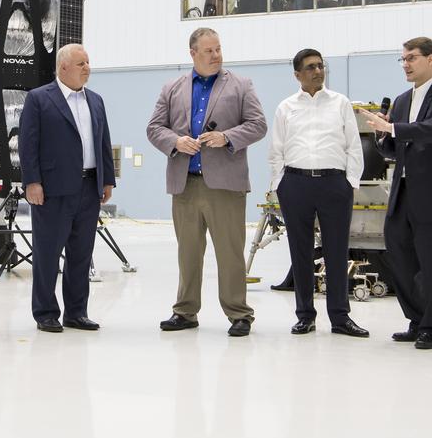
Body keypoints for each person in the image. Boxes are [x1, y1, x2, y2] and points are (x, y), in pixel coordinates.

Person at [146, 27, 266, 336]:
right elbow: (154, 128)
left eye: (219, 49)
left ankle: (239, 313)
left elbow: (258, 125)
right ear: (193, 54)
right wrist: (176, 142)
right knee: (187, 253)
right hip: (185, 184)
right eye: (209, 51)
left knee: (230, 253)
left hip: (225, 186)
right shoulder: (172, 87)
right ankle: (185, 311)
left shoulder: (241, 85)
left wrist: (226, 137)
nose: (216, 56)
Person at [358, 37, 432, 350]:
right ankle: (416, 319)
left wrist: (393, 129)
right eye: (402, 59)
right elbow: (395, 149)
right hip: (403, 193)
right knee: (397, 254)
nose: (405, 64)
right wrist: (382, 137)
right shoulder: (403, 101)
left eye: (412, 58)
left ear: (431, 59)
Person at [267, 49, 367, 337]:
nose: (318, 71)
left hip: (334, 184)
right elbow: (276, 149)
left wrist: (351, 183)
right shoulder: (286, 107)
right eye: (311, 67)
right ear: (297, 74)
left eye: (321, 66)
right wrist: (279, 184)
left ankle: (340, 317)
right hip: (295, 184)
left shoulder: (340, 103)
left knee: (337, 251)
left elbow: (353, 146)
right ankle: (305, 315)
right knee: (300, 252)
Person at [18, 44, 115, 333]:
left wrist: (107, 179)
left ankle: (76, 312)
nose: (87, 68)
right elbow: (27, 143)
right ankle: (46, 312)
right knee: (47, 253)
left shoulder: (95, 100)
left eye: (88, 62)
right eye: (81, 63)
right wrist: (32, 182)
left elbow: (103, 143)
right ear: (63, 67)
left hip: (89, 186)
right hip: (52, 189)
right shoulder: (39, 99)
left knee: (81, 254)